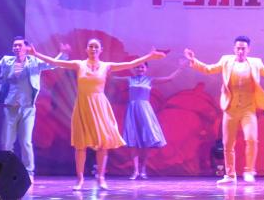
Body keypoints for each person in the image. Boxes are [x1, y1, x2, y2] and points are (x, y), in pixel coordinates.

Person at [29, 38, 166, 190]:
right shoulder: (79, 64)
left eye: (96, 47)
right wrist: (36, 54)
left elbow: (129, 64)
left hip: (100, 106)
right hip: (83, 106)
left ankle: (101, 178)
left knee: (102, 144)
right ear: (86, 49)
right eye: (91, 46)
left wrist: (148, 57)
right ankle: (80, 179)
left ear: (101, 50)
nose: (93, 49)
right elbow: (57, 62)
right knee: (80, 145)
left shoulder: (107, 66)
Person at [183, 36, 264, 185]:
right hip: (230, 109)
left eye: (243, 48)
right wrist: (194, 61)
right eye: (238, 48)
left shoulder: (255, 63)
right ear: (234, 49)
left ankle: (249, 171)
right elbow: (209, 69)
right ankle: (230, 175)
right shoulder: (226, 61)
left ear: (248, 50)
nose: (240, 51)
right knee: (227, 144)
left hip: (248, 110)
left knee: (251, 139)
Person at [0, 37, 69, 183]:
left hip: (28, 109)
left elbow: (52, 64)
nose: (16, 48)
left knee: (26, 142)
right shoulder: (7, 61)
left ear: (26, 48)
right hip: (10, 108)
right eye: (14, 45)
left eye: (19, 45)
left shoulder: (34, 62)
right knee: (6, 142)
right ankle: (6, 170)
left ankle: (29, 172)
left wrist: (63, 54)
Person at [121, 60, 186, 180]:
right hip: (133, 110)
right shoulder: (129, 79)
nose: (139, 69)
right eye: (137, 67)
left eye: (142, 67)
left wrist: (180, 68)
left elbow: (169, 78)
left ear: (146, 69)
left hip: (145, 111)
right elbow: (112, 78)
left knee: (147, 141)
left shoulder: (149, 80)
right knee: (133, 141)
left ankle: (143, 169)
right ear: (133, 69)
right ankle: (135, 171)